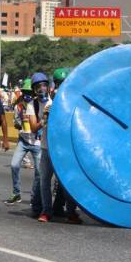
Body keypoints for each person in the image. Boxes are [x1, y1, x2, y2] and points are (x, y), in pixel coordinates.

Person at [38, 71, 81, 224]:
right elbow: (41, 126)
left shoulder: (73, 106)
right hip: (46, 149)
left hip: (64, 151)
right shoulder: (49, 105)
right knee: (45, 181)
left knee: (67, 182)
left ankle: (71, 212)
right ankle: (46, 211)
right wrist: (46, 117)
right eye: (58, 83)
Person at [5, 78, 42, 207]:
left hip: (37, 142)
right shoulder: (18, 107)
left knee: (39, 172)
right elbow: (16, 124)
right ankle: (16, 193)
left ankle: (34, 197)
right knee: (14, 165)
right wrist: (19, 122)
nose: (27, 95)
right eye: (25, 92)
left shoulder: (38, 106)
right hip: (23, 141)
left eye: (29, 92)